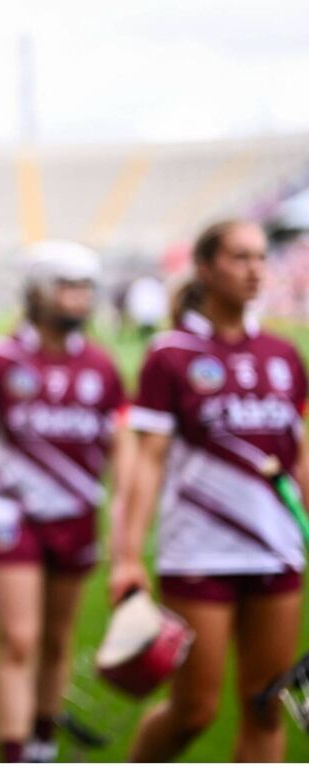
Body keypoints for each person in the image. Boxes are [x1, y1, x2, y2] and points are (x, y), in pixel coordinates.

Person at [112, 219, 306, 762]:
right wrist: (127, 555)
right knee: (194, 711)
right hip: (199, 551)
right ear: (205, 267)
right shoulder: (169, 355)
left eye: (262, 257)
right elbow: (146, 463)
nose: (255, 269)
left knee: (266, 705)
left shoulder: (284, 356)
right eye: (240, 257)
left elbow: (301, 456)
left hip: (277, 550)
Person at [0, 241, 127, 763]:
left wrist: (123, 520)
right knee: (20, 640)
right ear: (38, 292)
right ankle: (14, 757)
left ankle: (43, 743)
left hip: (76, 517)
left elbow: (122, 449)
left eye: (85, 289)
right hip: (13, 516)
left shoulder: (102, 365)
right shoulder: (1, 360)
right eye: (68, 287)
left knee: (57, 639)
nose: (79, 300)